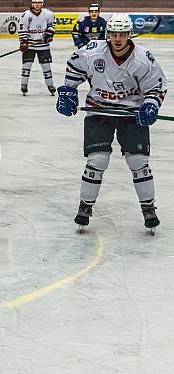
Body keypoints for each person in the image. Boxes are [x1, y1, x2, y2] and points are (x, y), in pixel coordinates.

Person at [57, 13, 167, 231]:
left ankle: (148, 207)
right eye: (114, 34)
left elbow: (156, 86)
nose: (118, 39)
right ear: (108, 35)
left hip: (130, 115)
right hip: (99, 112)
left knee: (139, 162)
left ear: (129, 35)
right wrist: (68, 90)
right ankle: (85, 206)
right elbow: (74, 66)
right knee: (97, 161)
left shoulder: (143, 58)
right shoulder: (93, 51)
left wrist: (151, 104)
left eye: (122, 34)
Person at [18, 0, 56, 96]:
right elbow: (22, 30)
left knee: (46, 66)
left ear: (42, 4)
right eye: (35, 2)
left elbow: (52, 25)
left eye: (39, 2)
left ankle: (50, 85)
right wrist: (23, 42)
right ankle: (24, 84)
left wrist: (49, 34)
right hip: (30, 45)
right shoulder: (25, 15)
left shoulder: (48, 14)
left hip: (43, 46)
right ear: (32, 3)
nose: (37, 4)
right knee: (27, 65)